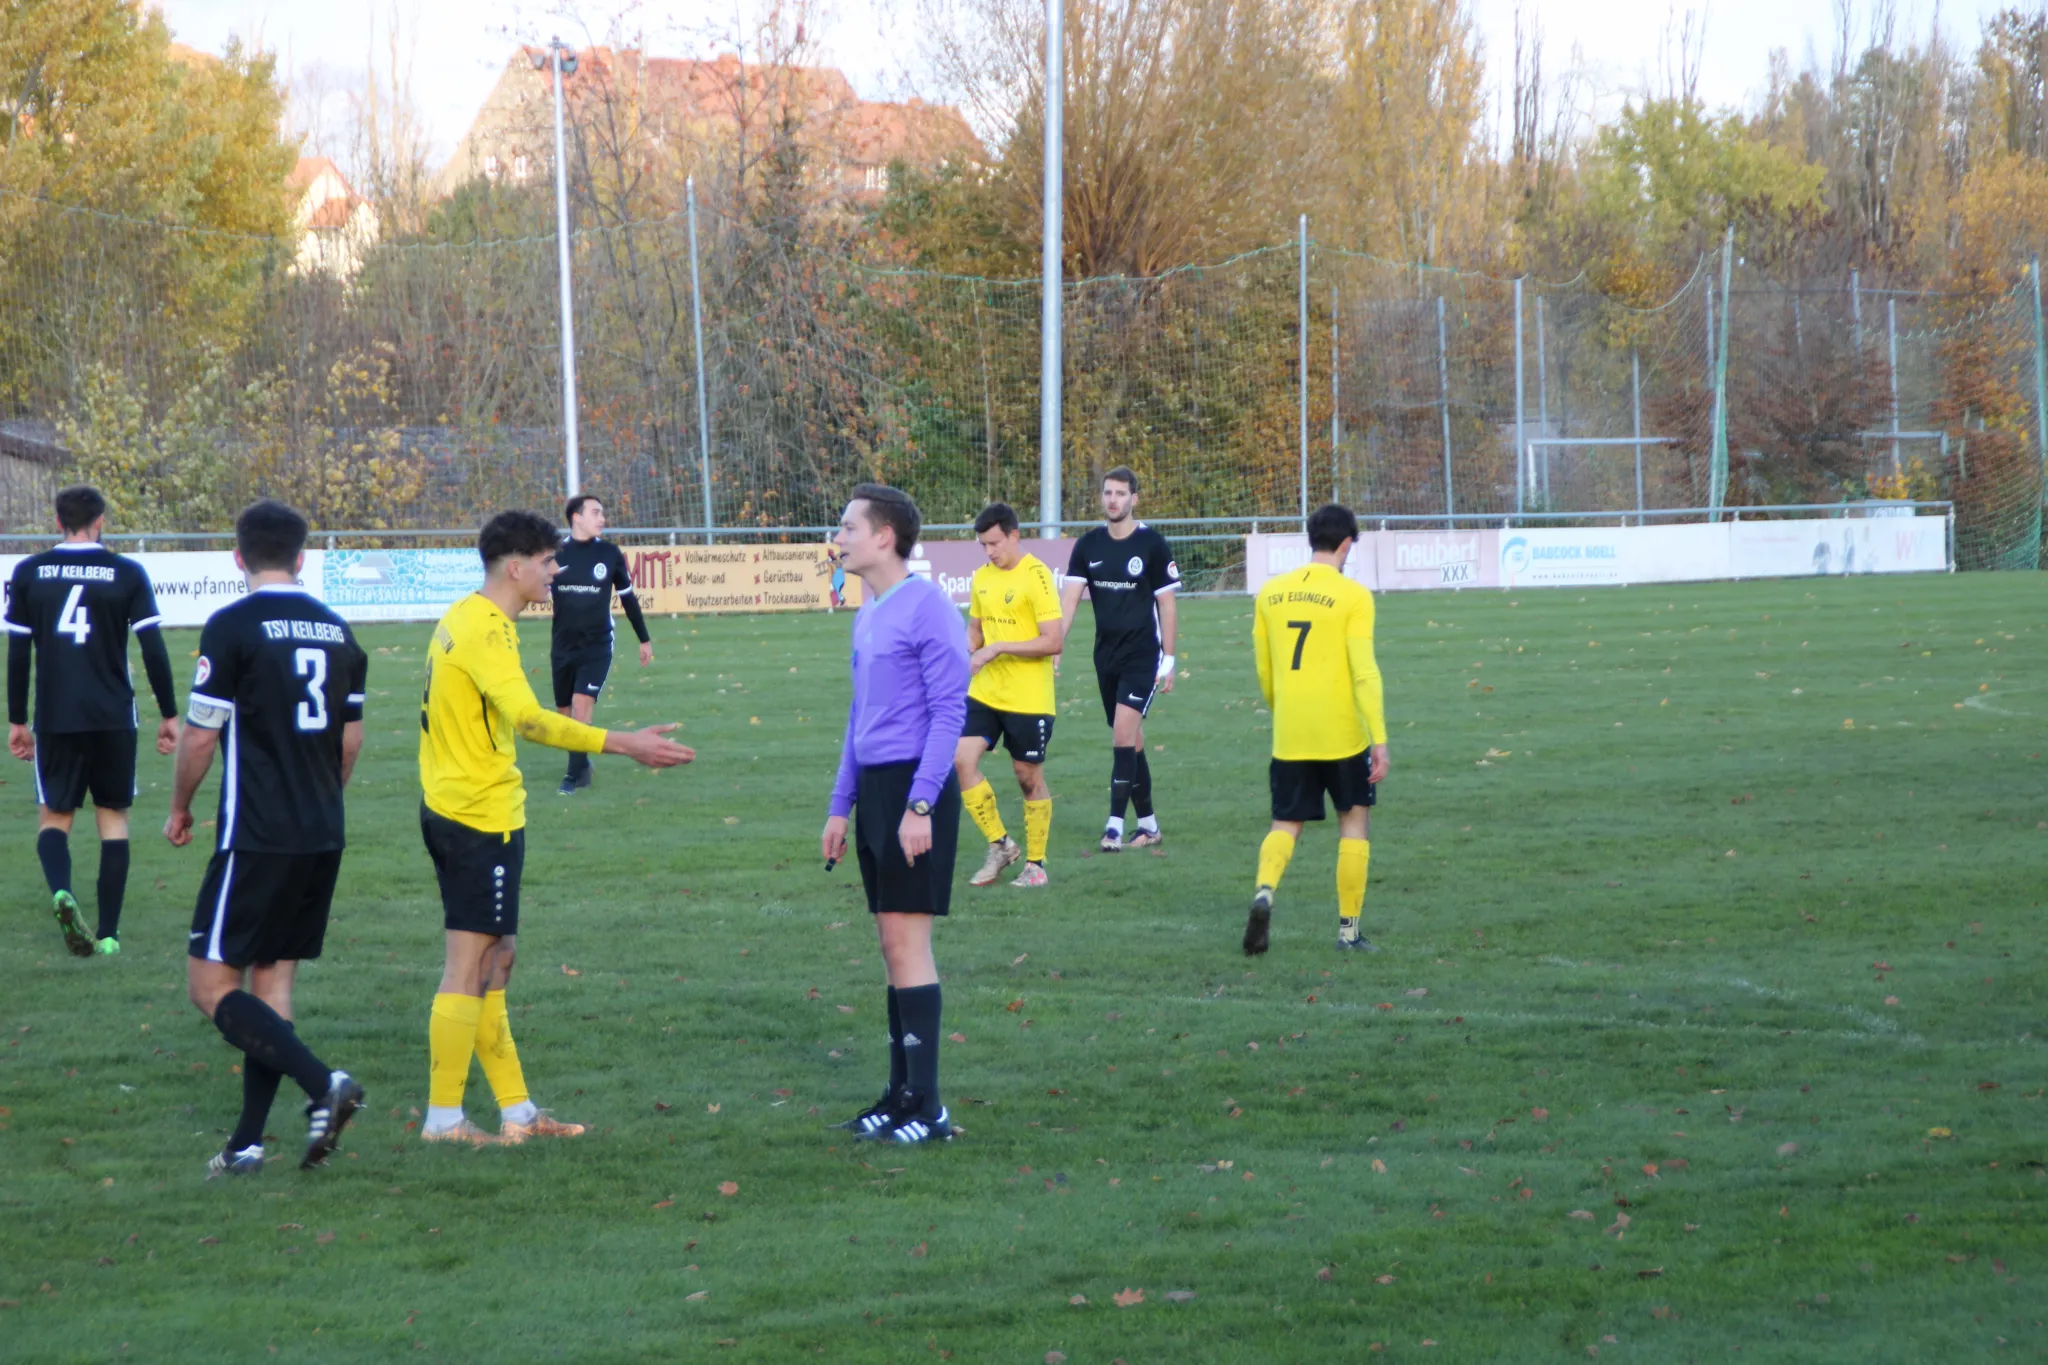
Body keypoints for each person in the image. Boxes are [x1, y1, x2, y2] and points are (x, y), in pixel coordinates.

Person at [418, 510, 695, 1146]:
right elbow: (531, 720)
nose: (556, 570)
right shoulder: (484, 630)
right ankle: (443, 1119)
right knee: (469, 964)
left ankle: (518, 1114)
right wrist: (623, 742)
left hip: (473, 809)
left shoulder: (468, 616)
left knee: (498, 959)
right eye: (548, 561)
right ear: (516, 567)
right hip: (473, 816)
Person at [165, 499, 367, 1176]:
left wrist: (180, 807)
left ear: (238, 557)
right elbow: (350, 742)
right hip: (321, 831)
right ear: (302, 557)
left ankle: (323, 1084)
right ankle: (247, 1146)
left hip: (256, 834)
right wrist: (322, 800)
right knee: (272, 987)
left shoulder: (231, 626)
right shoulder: (339, 631)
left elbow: (201, 737)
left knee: (209, 985)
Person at [821, 483, 968, 1145]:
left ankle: (929, 1109)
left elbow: (950, 711)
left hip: (915, 790)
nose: (839, 538)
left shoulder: (929, 606)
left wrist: (919, 803)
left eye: (848, 527)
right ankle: (900, 1093)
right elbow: (860, 717)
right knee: (891, 947)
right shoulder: (869, 612)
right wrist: (840, 806)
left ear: (884, 537)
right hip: (878, 791)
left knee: (909, 946)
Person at [6, 484, 180, 957]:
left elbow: (18, 653)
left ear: (57, 521)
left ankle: (63, 892)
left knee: (55, 816)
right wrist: (169, 713)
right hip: (113, 715)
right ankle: (109, 935)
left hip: (56, 715)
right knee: (113, 818)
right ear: (100, 520)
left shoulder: (29, 572)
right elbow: (153, 649)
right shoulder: (126, 572)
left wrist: (17, 720)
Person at [1244, 503, 1389, 956]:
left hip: (1291, 730)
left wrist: (1283, 709)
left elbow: (1264, 669)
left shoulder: (1270, 593)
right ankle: (1348, 932)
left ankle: (1265, 890)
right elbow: (1364, 673)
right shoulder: (1353, 596)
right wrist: (1379, 738)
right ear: (1346, 544)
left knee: (1285, 821)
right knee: (1354, 821)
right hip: (1342, 733)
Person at [1058, 467, 1180, 852]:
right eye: (1108, 493)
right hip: (1105, 658)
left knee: (1123, 734)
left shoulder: (1152, 545)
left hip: (1142, 656)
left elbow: (1167, 604)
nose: (1113, 500)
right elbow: (1069, 601)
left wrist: (1169, 658)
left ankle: (1114, 826)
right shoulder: (1088, 546)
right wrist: (1055, 645)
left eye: (1121, 493)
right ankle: (1149, 825)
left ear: (1134, 499)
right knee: (1132, 740)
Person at [955, 503, 1064, 889]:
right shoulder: (982, 577)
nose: (989, 552)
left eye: (995, 543)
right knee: (962, 760)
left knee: (1027, 778)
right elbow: (975, 629)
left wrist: (998, 648)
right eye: (984, 545)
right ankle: (1000, 845)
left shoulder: (1037, 576)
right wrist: (966, 646)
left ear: (1014, 535)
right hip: (986, 692)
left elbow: (1053, 640)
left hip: (1029, 697)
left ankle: (1036, 865)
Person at [550, 494, 653, 796]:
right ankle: (581, 762)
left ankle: (573, 777)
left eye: (602, 513)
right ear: (576, 517)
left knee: (582, 705)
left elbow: (628, 597)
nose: (602, 519)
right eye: (595, 513)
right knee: (564, 713)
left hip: (597, 645)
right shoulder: (555, 554)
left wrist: (644, 639)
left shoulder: (609, 553)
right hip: (562, 646)